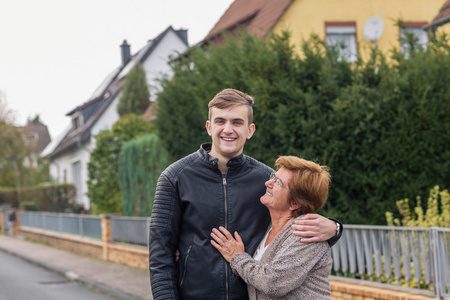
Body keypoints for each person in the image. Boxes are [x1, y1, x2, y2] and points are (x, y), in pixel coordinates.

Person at [149, 89, 342, 300]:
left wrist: (335, 229)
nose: (228, 129)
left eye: (237, 122)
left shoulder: (265, 179)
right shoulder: (175, 177)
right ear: (209, 126)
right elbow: (161, 256)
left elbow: (295, 218)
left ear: (250, 130)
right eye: (220, 121)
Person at [211, 156, 332, 299]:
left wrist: (237, 257)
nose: (268, 183)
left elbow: (273, 283)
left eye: (278, 182)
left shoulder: (307, 235)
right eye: (272, 177)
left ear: (295, 203)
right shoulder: (265, 226)